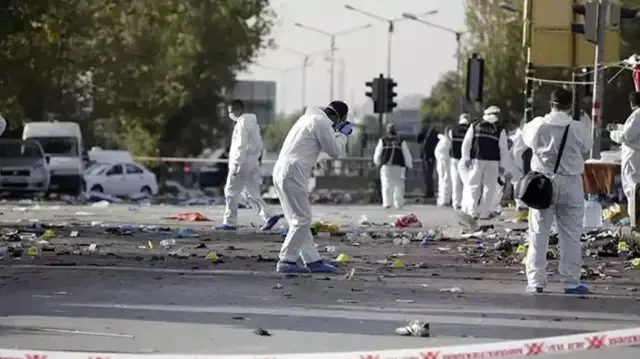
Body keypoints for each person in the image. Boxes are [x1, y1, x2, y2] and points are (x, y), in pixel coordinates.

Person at [522, 88, 592, 294]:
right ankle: (571, 281)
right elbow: (587, 149)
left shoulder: (537, 125)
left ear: (550, 104)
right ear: (570, 105)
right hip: (571, 184)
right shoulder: (578, 128)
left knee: (538, 233)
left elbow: (525, 141)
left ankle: (536, 281)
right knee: (571, 235)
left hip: (542, 185)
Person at [273, 101, 353, 273]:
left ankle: (312, 260)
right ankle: (286, 260)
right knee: (302, 219)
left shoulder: (307, 119)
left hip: (281, 169)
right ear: (341, 118)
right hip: (293, 171)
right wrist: (343, 135)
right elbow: (335, 151)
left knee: (298, 220)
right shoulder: (322, 122)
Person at [215, 100, 281, 231]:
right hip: (251, 164)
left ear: (237, 110)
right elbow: (259, 146)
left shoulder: (242, 124)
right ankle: (269, 216)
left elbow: (240, 145)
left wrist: (237, 164)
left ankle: (229, 222)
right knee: (251, 193)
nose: (229, 115)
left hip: (241, 164)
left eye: (230, 112)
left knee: (230, 192)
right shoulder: (253, 124)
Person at [460, 106, 513, 219]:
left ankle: (472, 212)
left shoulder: (475, 125)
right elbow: (503, 148)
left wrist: (466, 157)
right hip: (492, 162)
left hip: (476, 160)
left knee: (474, 187)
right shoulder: (499, 128)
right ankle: (484, 213)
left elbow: (467, 142)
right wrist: (503, 166)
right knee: (489, 188)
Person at [609, 92, 640, 222]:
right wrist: (619, 127)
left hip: (634, 157)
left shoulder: (637, 115)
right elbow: (632, 130)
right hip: (635, 156)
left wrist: (613, 133)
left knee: (632, 188)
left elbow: (626, 137)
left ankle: (634, 224)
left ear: (631, 103)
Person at [373, 123, 413, 209]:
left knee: (386, 184)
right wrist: (409, 165)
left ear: (387, 130)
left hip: (386, 166)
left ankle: (387, 203)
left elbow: (377, 153)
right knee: (399, 185)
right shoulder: (400, 141)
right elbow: (406, 154)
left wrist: (377, 162)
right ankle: (398, 203)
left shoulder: (383, 140)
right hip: (399, 166)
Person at [448, 114, 471, 210]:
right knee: (466, 182)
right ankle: (465, 203)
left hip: (454, 159)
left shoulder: (452, 130)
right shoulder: (470, 130)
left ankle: (456, 203)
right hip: (465, 159)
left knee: (455, 181)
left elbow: (450, 141)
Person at [416, 123, 439, 198]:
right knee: (427, 174)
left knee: (428, 174)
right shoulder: (427, 131)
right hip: (427, 156)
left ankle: (429, 192)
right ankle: (429, 191)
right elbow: (418, 139)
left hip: (428, 156)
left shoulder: (432, 132)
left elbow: (428, 144)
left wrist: (429, 156)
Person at [434, 132, 452, 206]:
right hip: (445, 163)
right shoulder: (446, 142)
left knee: (443, 180)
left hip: (442, 163)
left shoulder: (442, 141)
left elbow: (437, 152)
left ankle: (443, 199)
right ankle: (445, 199)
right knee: (446, 180)